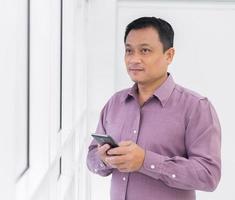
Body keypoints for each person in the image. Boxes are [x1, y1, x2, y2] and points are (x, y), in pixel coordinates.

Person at [86, 16, 221, 200]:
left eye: (145, 50)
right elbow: (91, 158)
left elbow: (208, 175)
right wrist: (104, 159)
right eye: (129, 50)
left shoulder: (196, 107)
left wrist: (145, 161)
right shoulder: (115, 103)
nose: (134, 59)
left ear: (169, 55)